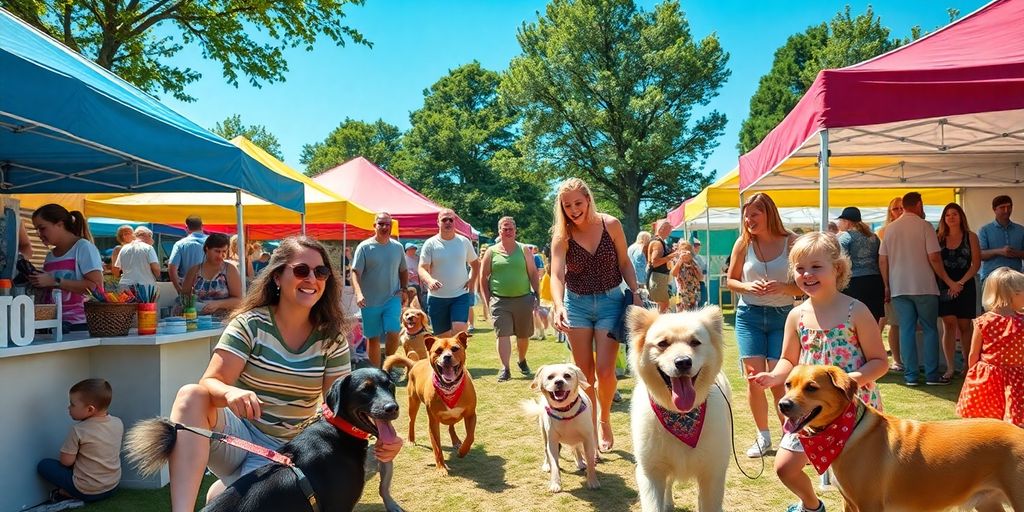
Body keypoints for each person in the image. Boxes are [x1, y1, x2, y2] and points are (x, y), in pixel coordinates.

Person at [163, 236, 401, 511]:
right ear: (277, 276)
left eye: (320, 272)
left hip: (286, 451)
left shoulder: (331, 339)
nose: (312, 278)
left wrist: (385, 435)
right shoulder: (250, 324)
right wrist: (231, 392)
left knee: (219, 500)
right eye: (301, 270)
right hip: (237, 435)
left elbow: (341, 403)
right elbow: (211, 382)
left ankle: (230, 485)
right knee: (191, 395)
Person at [749, 232, 886, 512]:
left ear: (837, 268)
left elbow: (879, 361)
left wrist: (849, 382)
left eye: (815, 267)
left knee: (855, 483)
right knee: (785, 468)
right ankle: (811, 506)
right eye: (799, 269)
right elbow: (789, 359)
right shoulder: (795, 315)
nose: (807, 274)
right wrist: (775, 376)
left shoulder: (856, 310)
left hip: (854, 409)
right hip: (808, 410)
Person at [549, 178, 641, 453]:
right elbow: (555, 274)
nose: (574, 210)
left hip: (611, 301)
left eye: (578, 203)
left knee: (605, 371)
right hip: (575, 304)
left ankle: (604, 420)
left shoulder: (610, 224)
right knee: (584, 373)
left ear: (588, 199)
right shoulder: (561, 236)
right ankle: (588, 428)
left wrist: (635, 292)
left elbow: (624, 262)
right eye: (567, 206)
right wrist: (558, 305)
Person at [725, 192, 801, 458]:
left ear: (769, 214)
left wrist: (784, 287)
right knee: (754, 378)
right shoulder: (743, 244)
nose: (748, 220)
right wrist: (747, 286)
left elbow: (805, 284)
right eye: (746, 215)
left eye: (754, 214)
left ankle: (788, 435)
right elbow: (731, 281)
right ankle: (763, 436)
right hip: (749, 316)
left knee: (779, 379)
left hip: (783, 317)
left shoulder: (792, 242)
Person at [879, 191, 959, 386]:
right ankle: (931, 375)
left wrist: (887, 285)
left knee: (906, 330)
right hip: (924, 286)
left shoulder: (890, 229)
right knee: (930, 329)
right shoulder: (925, 226)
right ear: (918, 204)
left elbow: (883, 260)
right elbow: (934, 257)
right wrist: (948, 280)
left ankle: (911, 376)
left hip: (899, 287)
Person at [36, 379, 123, 509]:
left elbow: (66, 462)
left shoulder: (79, 430)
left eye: (72, 404)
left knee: (44, 465)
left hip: (87, 491)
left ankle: (66, 493)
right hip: (112, 486)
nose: (68, 408)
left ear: (90, 409)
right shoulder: (118, 422)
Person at [956, 267, 1024, 427]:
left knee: (986, 420)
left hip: (988, 377)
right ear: (1012, 294)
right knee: (1014, 422)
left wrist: (972, 377)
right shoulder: (1021, 322)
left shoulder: (984, 321)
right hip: (1017, 377)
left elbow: (973, 355)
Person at [480, 217, 540, 382]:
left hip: (523, 299)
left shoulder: (524, 250)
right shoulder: (491, 252)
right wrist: (487, 301)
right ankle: (505, 368)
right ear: (499, 231)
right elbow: (483, 277)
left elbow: (533, 274)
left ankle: (521, 360)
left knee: (523, 336)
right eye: (504, 229)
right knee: (502, 334)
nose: (507, 231)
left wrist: (537, 294)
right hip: (499, 301)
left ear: (515, 230)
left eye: (510, 229)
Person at [28, 204, 103, 332]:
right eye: (36, 230)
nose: (39, 234)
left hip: (80, 327)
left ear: (60, 224)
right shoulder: (50, 256)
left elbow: (96, 287)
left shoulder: (83, 248)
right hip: (54, 325)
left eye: (42, 228)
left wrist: (55, 281)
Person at [351, 212, 408, 368]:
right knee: (373, 338)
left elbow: (403, 270)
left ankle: (390, 365)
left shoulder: (397, 247)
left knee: (393, 331)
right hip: (370, 301)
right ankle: (376, 372)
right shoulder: (364, 247)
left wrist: (404, 289)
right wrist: (359, 293)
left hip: (392, 298)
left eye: (387, 224)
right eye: (381, 224)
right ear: (374, 226)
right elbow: (355, 272)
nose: (384, 227)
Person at [936, 202, 981, 380]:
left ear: (961, 216)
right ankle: (949, 367)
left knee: (965, 326)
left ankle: (968, 365)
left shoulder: (971, 237)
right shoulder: (938, 237)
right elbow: (936, 263)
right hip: (945, 284)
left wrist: (960, 283)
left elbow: (976, 264)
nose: (951, 217)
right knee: (949, 324)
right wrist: (950, 283)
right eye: (947, 215)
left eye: (954, 214)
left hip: (966, 284)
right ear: (943, 219)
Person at [418, 209, 479, 338]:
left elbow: (475, 264)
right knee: (442, 338)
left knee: (459, 331)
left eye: (451, 219)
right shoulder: (430, 244)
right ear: (438, 223)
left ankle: (460, 358)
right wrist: (429, 281)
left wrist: (471, 280)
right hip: (437, 297)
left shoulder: (464, 241)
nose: (448, 222)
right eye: (444, 219)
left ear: (454, 222)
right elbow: (422, 268)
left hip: (460, 295)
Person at [835, 206, 884, 321]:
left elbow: (841, 261)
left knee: (853, 320)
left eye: (841, 221)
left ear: (846, 222)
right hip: (875, 282)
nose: (839, 223)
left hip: (854, 283)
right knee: (872, 319)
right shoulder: (874, 237)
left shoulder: (845, 237)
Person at [181, 233, 242, 318]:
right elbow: (184, 297)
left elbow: (239, 300)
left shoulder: (230, 270)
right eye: (217, 251)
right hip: (197, 320)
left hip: (223, 321)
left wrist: (219, 304)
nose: (221, 255)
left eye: (224, 251)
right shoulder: (194, 270)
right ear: (207, 249)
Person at [877, 197, 904, 372]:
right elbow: (881, 260)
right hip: (887, 281)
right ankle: (891, 360)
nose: (899, 211)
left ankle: (898, 360)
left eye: (902, 208)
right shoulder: (883, 232)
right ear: (890, 212)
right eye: (895, 209)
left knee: (898, 323)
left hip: (905, 281)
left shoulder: (915, 228)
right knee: (884, 321)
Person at [979, 195, 1024, 285]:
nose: (1006, 210)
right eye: (1002, 207)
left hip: (1016, 278)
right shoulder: (985, 230)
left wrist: (1016, 253)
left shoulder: (1021, 230)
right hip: (991, 278)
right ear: (994, 209)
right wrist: (999, 251)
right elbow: (980, 255)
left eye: (1009, 207)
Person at [168, 216, 208, 294]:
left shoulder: (180, 244)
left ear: (186, 227)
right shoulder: (212, 242)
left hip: (187, 288)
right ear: (202, 226)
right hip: (210, 287)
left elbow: (172, 268)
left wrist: (179, 288)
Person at [646, 221, 677, 312]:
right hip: (657, 278)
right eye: (669, 229)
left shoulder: (660, 241)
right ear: (661, 229)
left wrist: (671, 254)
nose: (670, 231)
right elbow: (654, 262)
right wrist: (671, 256)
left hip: (659, 278)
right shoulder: (657, 243)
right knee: (663, 306)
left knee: (664, 305)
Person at [670, 240, 702, 310]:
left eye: (687, 251)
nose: (685, 254)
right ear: (679, 251)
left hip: (693, 294)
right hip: (682, 293)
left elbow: (700, 278)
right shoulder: (675, 261)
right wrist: (680, 260)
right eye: (683, 251)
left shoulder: (694, 262)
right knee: (682, 317)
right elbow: (674, 273)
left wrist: (692, 264)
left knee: (693, 316)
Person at [692, 237, 708, 305]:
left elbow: (704, 269)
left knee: (701, 300)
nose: (697, 249)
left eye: (698, 247)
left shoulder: (699, 258)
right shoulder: (689, 258)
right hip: (692, 283)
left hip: (700, 282)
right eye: (696, 246)